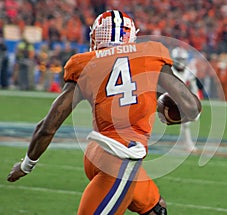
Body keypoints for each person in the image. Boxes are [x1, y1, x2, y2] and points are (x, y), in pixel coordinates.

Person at [7, 10, 201, 215]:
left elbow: (48, 126)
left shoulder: (84, 64)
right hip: (122, 157)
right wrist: (167, 114)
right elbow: (192, 107)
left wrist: (26, 165)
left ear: (96, 36)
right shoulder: (151, 54)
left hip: (96, 153)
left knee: (155, 209)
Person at [170, 47, 199, 152]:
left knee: (186, 122)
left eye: (182, 59)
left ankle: (188, 144)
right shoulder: (168, 70)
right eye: (179, 59)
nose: (181, 62)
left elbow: (194, 89)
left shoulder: (189, 72)